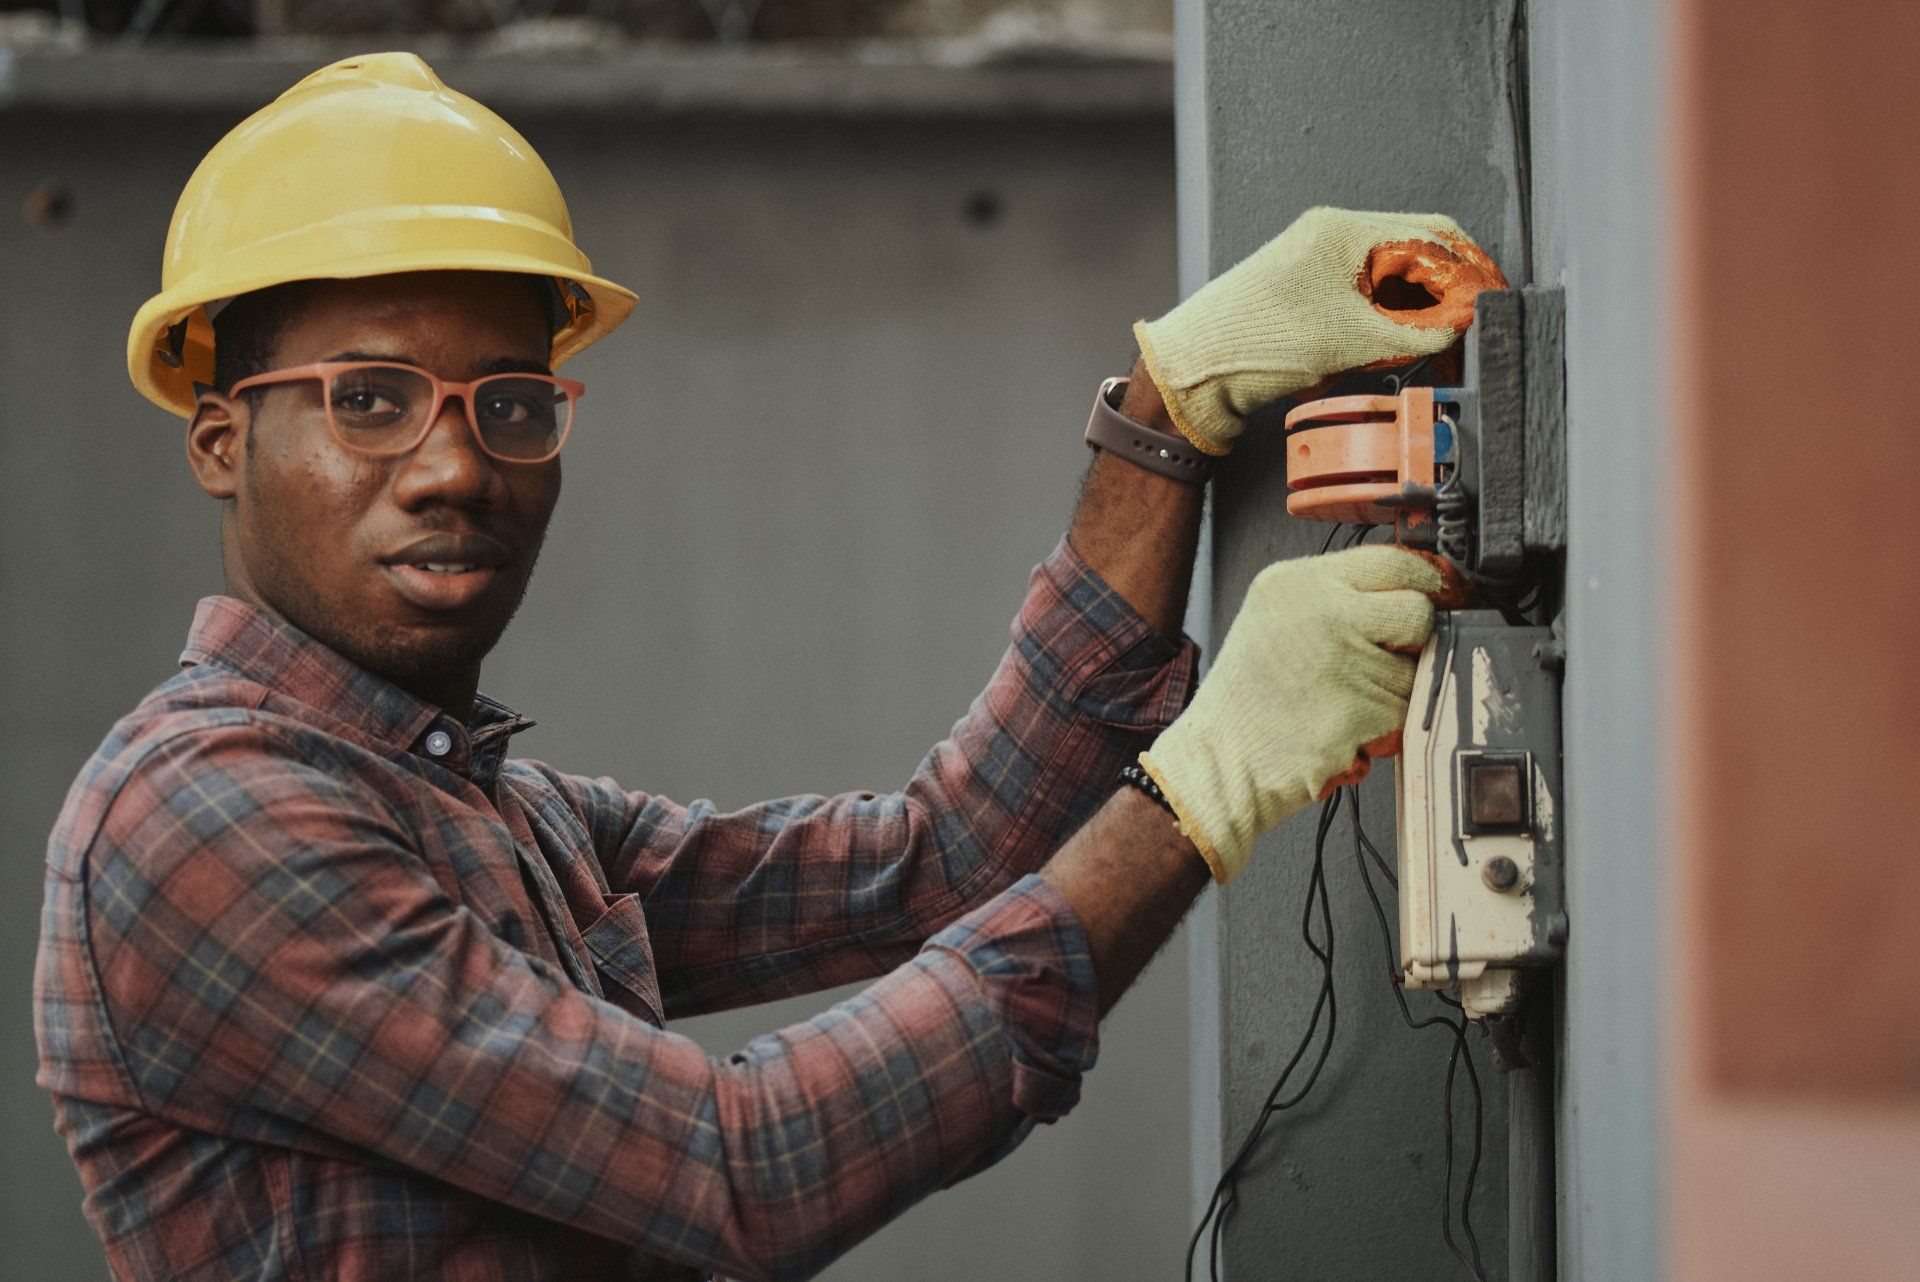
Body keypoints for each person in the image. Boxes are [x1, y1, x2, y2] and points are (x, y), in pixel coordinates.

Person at [33, 52, 1504, 1282]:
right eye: (367, 401)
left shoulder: (502, 814)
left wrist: (1169, 406)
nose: (450, 466)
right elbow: (740, 1170)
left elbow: (937, 867)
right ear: (222, 439)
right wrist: (1204, 787)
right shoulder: (203, 824)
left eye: (510, 404)